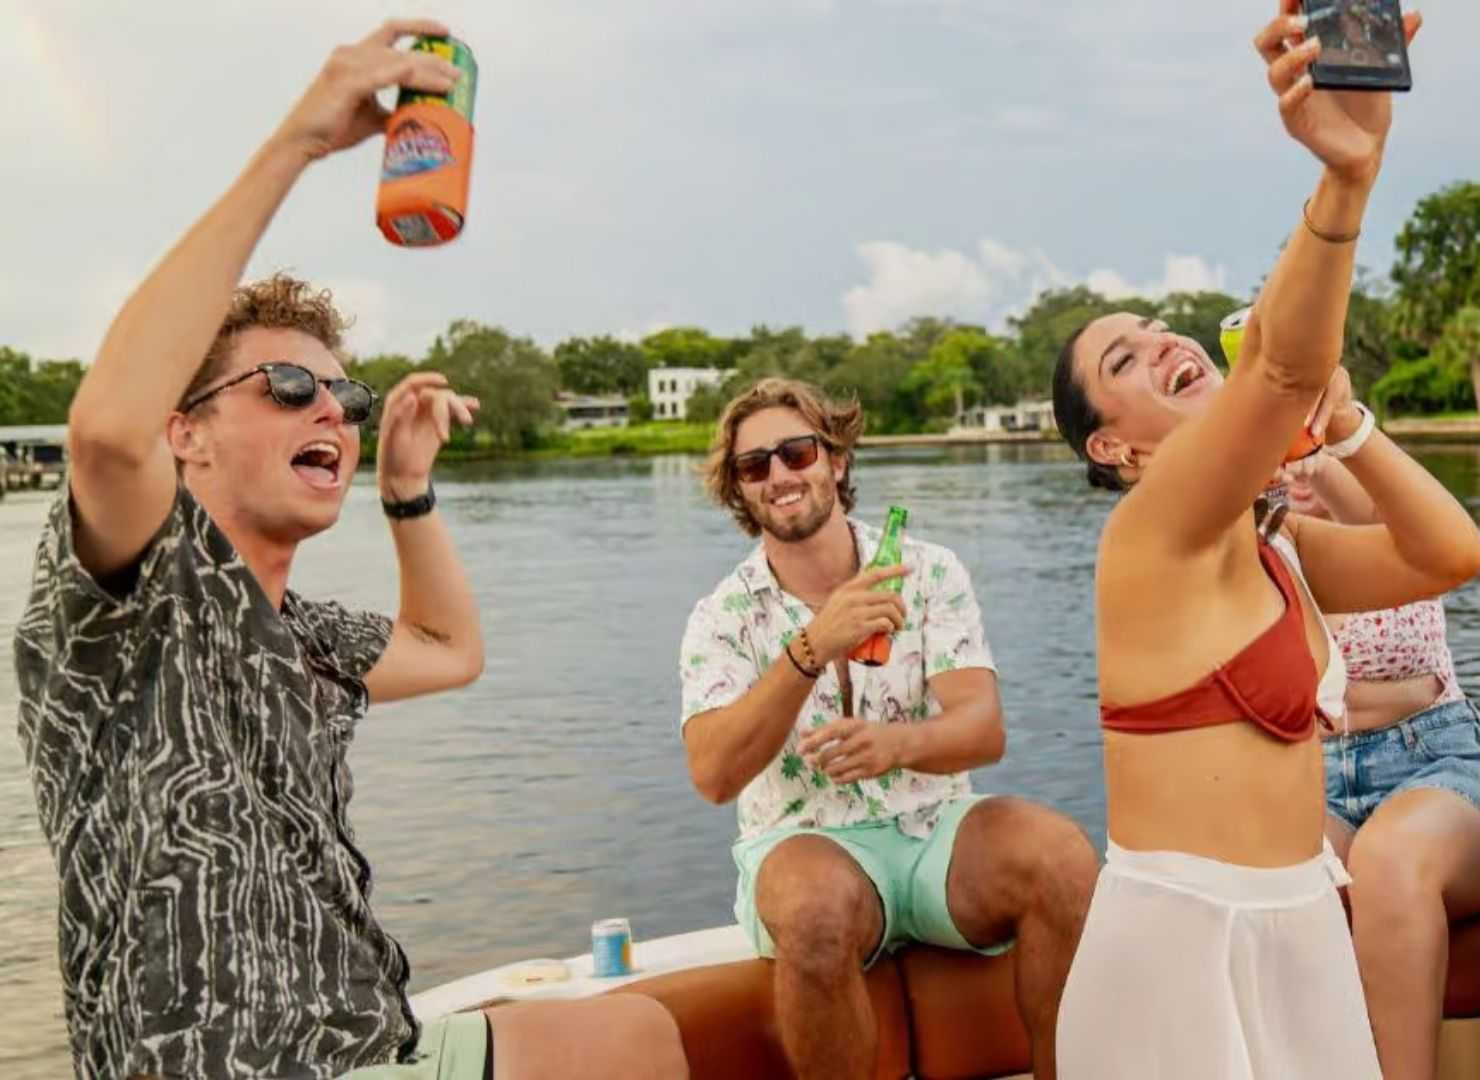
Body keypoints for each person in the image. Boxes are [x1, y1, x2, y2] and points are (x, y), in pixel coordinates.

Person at [13, 21, 686, 1080]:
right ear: (184, 431)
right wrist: (300, 142)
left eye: (345, 394)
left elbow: (449, 650)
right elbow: (103, 431)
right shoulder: (130, 597)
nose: (329, 407)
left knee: (637, 1036)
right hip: (218, 1065)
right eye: (287, 387)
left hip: (360, 1039)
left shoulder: (307, 635)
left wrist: (408, 494)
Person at [1050, 6, 1480, 1077]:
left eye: (1157, 328)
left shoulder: (1275, 544)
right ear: (1114, 447)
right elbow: (1281, 369)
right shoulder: (1145, 538)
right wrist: (1347, 180)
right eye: (1122, 358)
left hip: (1299, 927)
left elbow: (1448, 556)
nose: (1159, 341)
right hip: (1181, 946)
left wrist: (1350, 428)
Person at [677, 377, 1098, 1080]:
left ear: (836, 461)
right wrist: (811, 647)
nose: (779, 475)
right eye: (755, 466)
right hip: (800, 838)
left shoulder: (927, 570)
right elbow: (712, 775)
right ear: (740, 492)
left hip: (936, 830)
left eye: (797, 452)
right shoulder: (720, 616)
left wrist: (896, 746)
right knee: (813, 912)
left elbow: (982, 729)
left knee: (1061, 857)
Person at [1280, 457, 1480, 1080]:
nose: (1297, 474)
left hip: (1441, 761)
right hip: (1315, 783)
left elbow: (1417, 691)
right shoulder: (1257, 555)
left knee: (1388, 860)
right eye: (1277, 462)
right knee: (1276, 887)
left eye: (1309, 456)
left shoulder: (1389, 532)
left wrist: (1320, 452)